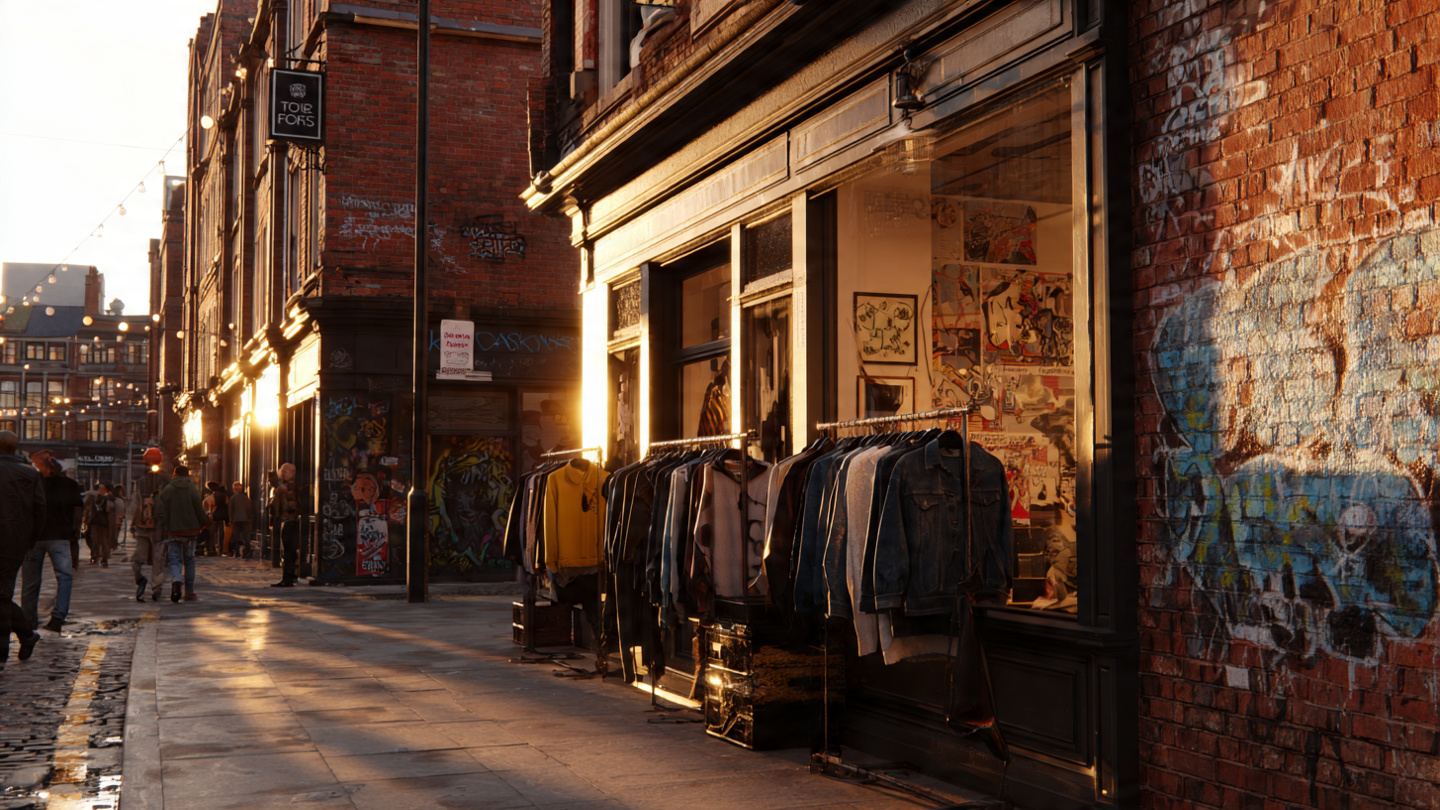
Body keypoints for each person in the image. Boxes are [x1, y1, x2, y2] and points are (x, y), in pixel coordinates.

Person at [21, 455, 83, 633]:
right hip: (60, 537)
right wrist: (74, 533)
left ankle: (28, 620)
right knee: (65, 578)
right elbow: (78, 511)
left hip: (35, 538)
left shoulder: (32, 483)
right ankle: (58, 617)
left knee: (30, 581)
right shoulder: (70, 485)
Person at [0, 431, 44, 669]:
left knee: (2, 594)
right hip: (15, 542)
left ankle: (2, 651)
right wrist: (30, 539)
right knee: (3, 594)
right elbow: (40, 510)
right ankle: (27, 635)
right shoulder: (30, 474)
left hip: (9, 541)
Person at [153, 465, 210, 603]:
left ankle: (177, 580)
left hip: (174, 531)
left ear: (175, 474)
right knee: (189, 559)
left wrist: (166, 524)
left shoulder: (168, 489)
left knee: (174, 559)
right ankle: (189, 592)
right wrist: (205, 524)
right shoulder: (192, 489)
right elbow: (199, 510)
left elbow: (159, 510)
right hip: (191, 531)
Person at [130, 466, 167, 602]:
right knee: (158, 559)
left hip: (142, 526)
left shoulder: (139, 485)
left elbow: (134, 504)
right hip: (159, 527)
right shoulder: (164, 484)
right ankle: (156, 588)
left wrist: (134, 522)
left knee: (138, 558)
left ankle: (140, 579)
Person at [270, 463, 300, 587]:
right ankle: (291, 575)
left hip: (288, 521)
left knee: (288, 550)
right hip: (292, 521)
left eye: (282, 472)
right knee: (291, 550)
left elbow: (290, 505)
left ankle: (288, 577)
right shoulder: (293, 486)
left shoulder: (286, 488)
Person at [83, 483, 117, 567]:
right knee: (96, 540)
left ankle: (100, 557)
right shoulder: (95, 498)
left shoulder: (107, 499)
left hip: (101, 522)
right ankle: (98, 556)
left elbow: (87, 509)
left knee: (100, 540)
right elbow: (88, 509)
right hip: (99, 522)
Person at [228, 481, 253, 559]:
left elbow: (230, 510)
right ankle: (247, 550)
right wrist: (249, 518)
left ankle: (236, 552)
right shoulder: (245, 498)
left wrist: (230, 518)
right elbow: (249, 508)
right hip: (245, 519)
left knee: (236, 536)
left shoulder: (233, 498)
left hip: (236, 519)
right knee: (246, 536)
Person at [204, 481, 230, 556]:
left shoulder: (210, 497)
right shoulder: (225, 496)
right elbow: (227, 505)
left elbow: (206, 507)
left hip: (214, 517)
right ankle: (221, 548)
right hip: (223, 517)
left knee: (212, 534)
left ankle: (211, 549)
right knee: (222, 533)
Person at [108, 483, 127, 553]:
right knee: (115, 533)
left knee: (113, 533)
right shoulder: (119, 500)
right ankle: (113, 545)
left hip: (116, 518)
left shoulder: (116, 500)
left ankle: (112, 545)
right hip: (118, 518)